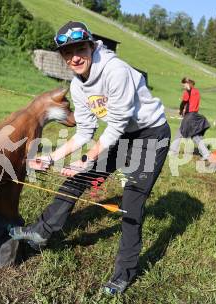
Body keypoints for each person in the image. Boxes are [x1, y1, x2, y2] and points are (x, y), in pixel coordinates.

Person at [9, 21, 171, 295]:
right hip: (121, 135)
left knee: (131, 205)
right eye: (67, 52)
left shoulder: (115, 71)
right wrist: (52, 158)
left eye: (80, 49)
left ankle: (124, 274)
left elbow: (116, 126)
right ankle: (42, 231)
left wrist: (85, 160)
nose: (74, 57)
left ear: (92, 46)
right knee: (78, 179)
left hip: (150, 136)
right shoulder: (77, 86)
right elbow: (85, 131)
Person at [169, 77, 211, 160]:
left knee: (180, 132)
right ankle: (206, 153)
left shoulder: (187, 92)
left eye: (184, 84)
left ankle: (172, 151)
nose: (183, 86)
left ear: (187, 83)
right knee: (195, 135)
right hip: (195, 116)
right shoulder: (197, 92)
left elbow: (183, 102)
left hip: (189, 116)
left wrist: (181, 110)